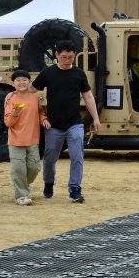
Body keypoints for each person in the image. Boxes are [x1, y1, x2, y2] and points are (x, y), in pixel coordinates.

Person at [31, 40, 101, 203]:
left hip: (75, 124)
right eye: (64, 57)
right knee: (50, 158)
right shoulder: (48, 73)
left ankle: (75, 189)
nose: (67, 60)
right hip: (53, 125)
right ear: (56, 55)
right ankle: (49, 182)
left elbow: (88, 96)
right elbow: (31, 90)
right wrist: (13, 95)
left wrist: (96, 118)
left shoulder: (79, 74)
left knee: (77, 156)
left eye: (70, 57)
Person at [4, 69, 50, 205]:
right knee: (18, 168)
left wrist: (44, 120)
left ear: (29, 82)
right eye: (18, 80)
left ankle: (22, 186)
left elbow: (40, 113)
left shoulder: (34, 98)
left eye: (25, 79)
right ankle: (21, 195)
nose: (21, 82)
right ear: (13, 83)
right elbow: (8, 122)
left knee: (35, 168)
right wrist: (15, 112)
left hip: (32, 140)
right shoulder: (11, 100)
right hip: (15, 141)